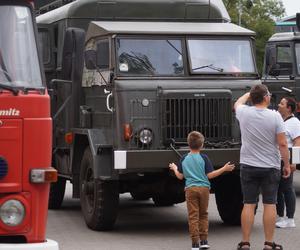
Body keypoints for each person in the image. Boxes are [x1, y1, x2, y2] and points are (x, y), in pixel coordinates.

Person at [234, 84, 291, 250]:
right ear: (266, 97)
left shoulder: (244, 112)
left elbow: (237, 102)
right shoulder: (275, 117)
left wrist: (248, 94)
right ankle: (268, 243)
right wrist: (286, 164)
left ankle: (245, 242)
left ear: (253, 98)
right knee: (269, 204)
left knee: (248, 204)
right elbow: (282, 143)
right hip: (270, 166)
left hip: (248, 164)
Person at [169, 131, 235, 250]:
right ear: (202, 145)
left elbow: (180, 176)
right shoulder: (204, 158)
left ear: (188, 144)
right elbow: (210, 175)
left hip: (190, 189)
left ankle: (195, 243)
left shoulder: (184, 158)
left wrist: (174, 168)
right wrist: (224, 169)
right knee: (203, 214)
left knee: (193, 216)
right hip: (204, 189)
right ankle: (204, 241)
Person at [276, 97, 300, 228]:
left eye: (282, 103)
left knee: (287, 188)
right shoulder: (281, 120)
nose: (279, 105)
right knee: (278, 189)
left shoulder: (295, 122)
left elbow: (298, 142)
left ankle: (290, 218)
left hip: (288, 157)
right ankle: (280, 216)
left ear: (289, 108)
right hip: (278, 158)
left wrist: (294, 162)